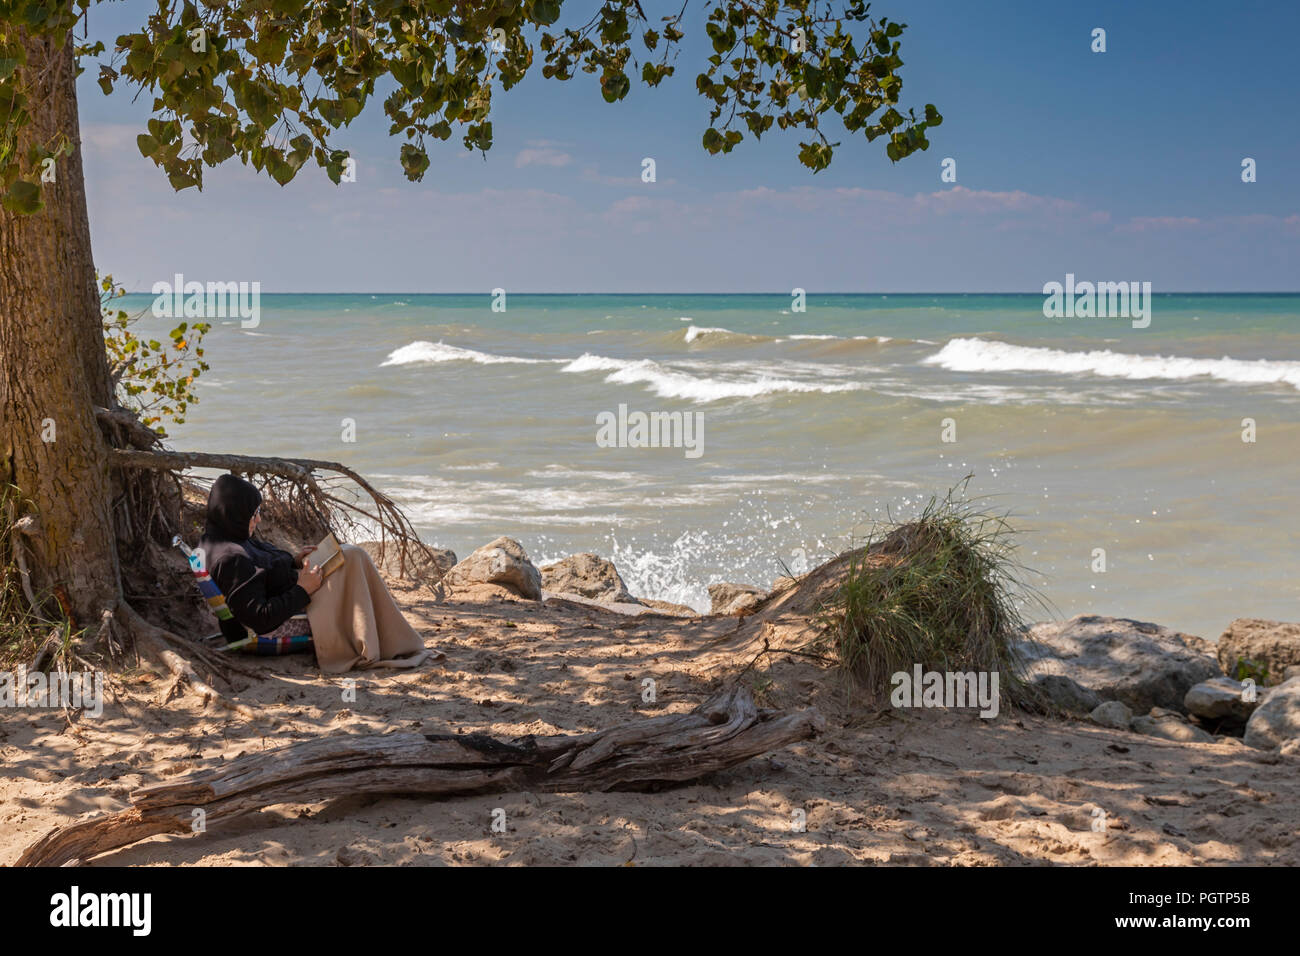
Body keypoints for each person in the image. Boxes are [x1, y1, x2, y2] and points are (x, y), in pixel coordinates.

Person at [199, 473, 435, 673]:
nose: (259, 519)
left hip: (296, 593)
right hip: (289, 617)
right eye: (254, 513)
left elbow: (261, 571)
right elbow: (259, 618)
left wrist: (294, 562)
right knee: (352, 559)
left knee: (350, 557)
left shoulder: (223, 538)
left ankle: (388, 638)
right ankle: (392, 642)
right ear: (235, 514)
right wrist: (303, 589)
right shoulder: (231, 559)